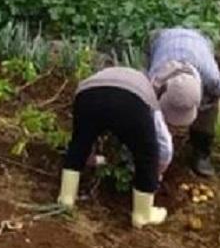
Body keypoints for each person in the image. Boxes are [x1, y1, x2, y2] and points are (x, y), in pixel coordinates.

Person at [57, 66, 182, 229]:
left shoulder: (106, 72)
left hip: (87, 94)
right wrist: (157, 171)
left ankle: (66, 198)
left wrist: (94, 158)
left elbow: (84, 135)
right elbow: (162, 143)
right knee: (147, 155)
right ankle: (142, 215)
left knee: (79, 143)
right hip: (130, 102)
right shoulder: (148, 92)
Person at [148, 28, 220, 177]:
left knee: (211, 103)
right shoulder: (154, 78)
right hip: (162, 38)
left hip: (199, 41)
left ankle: (202, 151)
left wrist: (210, 104)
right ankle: (159, 146)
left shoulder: (211, 78)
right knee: (152, 111)